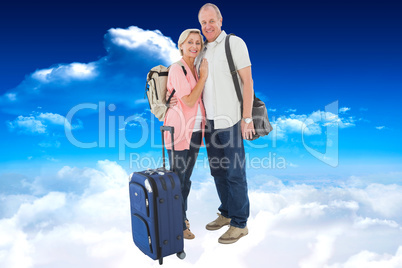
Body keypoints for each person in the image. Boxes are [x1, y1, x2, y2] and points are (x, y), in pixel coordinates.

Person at [196, 3, 255, 244]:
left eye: (211, 21)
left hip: (231, 120)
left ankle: (240, 224)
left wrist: (247, 118)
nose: (207, 26)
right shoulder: (201, 51)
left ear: (220, 20)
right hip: (209, 122)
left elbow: (248, 82)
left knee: (235, 174)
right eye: (203, 23)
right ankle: (227, 213)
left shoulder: (234, 43)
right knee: (218, 172)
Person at [163, 28, 208, 240]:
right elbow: (189, 100)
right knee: (177, 179)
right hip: (179, 130)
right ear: (181, 45)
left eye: (198, 43)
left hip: (196, 130)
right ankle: (178, 224)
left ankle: (180, 218)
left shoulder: (197, 68)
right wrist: (204, 78)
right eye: (190, 42)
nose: (194, 46)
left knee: (186, 179)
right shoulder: (176, 68)